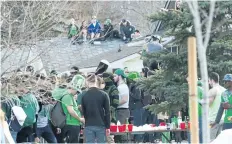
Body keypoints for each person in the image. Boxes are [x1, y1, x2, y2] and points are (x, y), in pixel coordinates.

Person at [81, 74, 110, 143]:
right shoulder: (104, 94)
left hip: (88, 124)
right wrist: (108, 126)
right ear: (97, 82)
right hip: (101, 124)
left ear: (88, 82)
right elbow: (107, 112)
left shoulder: (84, 95)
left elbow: (83, 111)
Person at [208, 72, 226, 141]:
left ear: (212, 80)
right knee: (221, 141)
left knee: (211, 140)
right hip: (223, 120)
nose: (209, 83)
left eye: (209, 81)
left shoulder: (212, 90)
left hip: (213, 120)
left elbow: (207, 104)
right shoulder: (224, 90)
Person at [186, 76, 203, 143]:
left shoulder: (197, 89)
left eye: (189, 81)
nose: (188, 83)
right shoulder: (194, 89)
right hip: (195, 115)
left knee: (194, 134)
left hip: (198, 115)